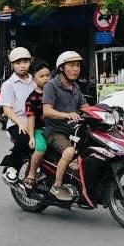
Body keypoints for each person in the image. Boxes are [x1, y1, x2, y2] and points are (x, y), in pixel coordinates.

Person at [42, 51, 86, 201]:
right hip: (55, 131)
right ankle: (57, 185)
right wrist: (67, 115)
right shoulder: (51, 86)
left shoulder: (75, 87)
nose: (76, 69)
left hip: (73, 130)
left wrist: (104, 111)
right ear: (61, 68)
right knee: (69, 151)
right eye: (71, 65)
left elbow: (85, 107)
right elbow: (47, 111)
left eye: (78, 65)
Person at [0, 47, 36, 167]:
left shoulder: (35, 81)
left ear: (30, 62)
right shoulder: (8, 84)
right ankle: (12, 165)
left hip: (35, 121)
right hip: (16, 122)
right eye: (18, 63)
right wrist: (20, 123)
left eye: (25, 62)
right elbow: (7, 109)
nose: (22, 66)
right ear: (12, 65)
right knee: (25, 141)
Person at [19, 61, 53, 188]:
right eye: (41, 76)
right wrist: (32, 137)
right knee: (41, 148)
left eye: (48, 75)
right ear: (34, 79)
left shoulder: (55, 93)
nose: (46, 79)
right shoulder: (32, 98)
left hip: (55, 129)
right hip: (40, 130)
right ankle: (31, 174)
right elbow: (31, 118)